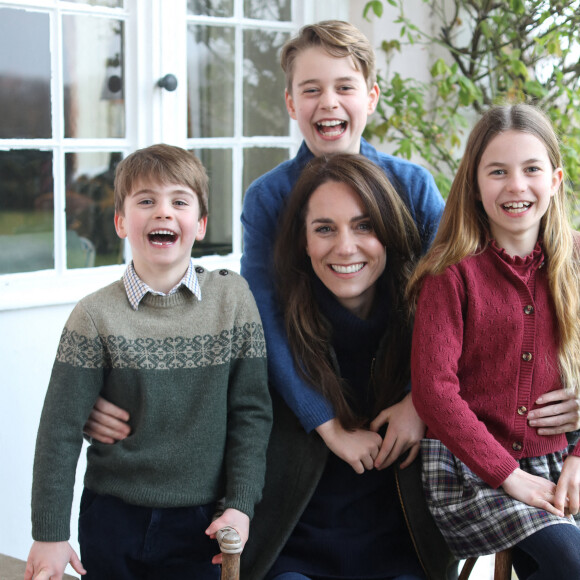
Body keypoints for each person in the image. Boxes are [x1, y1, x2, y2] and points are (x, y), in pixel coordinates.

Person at [25, 144, 272, 580]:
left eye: (179, 201)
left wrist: (240, 505)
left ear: (200, 224)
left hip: (204, 523)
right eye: (146, 201)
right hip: (112, 517)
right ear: (121, 222)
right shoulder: (93, 316)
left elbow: (251, 414)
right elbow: (60, 429)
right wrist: (49, 533)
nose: (163, 212)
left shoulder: (233, 300)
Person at [245, 152, 444, 580]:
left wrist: (420, 401)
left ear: (388, 232)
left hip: (403, 554)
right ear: (303, 241)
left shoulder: (424, 331)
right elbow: (202, 390)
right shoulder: (274, 334)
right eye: (324, 229)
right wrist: (101, 399)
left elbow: (505, 366)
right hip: (294, 554)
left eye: (364, 225)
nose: (345, 247)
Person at [408, 104, 580, 579]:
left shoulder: (576, 262)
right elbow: (434, 392)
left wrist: (578, 461)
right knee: (570, 559)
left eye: (531, 170)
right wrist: (510, 476)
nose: (516, 186)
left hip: (560, 460)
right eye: (498, 172)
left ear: (556, 179)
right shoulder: (451, 275)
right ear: (475, 184)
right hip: (471, 474)